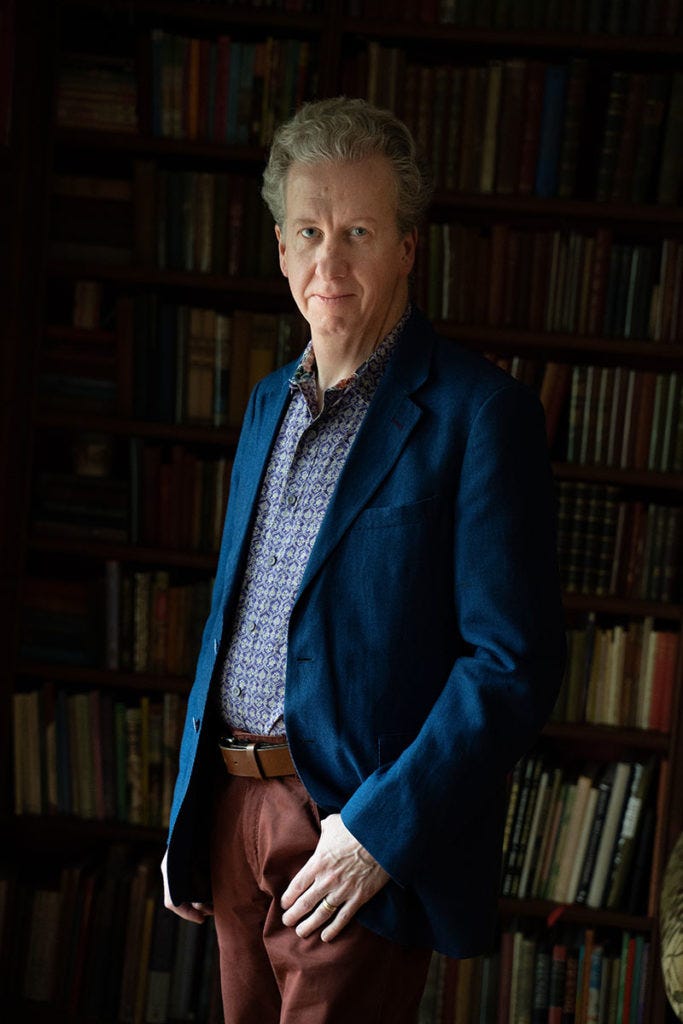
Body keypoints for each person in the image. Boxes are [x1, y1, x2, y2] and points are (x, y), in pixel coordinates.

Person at [161, 96, 566, 1023]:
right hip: (231, 810)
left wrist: (380, 833)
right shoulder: (266, 404)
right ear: (278, 248)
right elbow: (236, 613)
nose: (328, 262)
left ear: (406, 248)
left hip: (350, 828)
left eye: (357, 231)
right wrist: (194, 807)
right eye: (308, 230)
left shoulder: (477, 415)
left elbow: (512, 663)